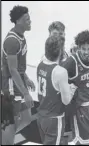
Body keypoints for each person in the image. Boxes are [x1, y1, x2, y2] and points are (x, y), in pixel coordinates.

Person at [1, 5, 35, 144]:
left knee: (26, 118)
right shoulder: (12, 41)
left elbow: (18, 67)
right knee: (10, 124)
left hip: (17, 82)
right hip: (10, 86)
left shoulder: (21, 37)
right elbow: (12, 70)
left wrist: (26, 78)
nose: (30, 21)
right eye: (27, 19)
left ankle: (5, 138)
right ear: (18, 21)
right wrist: (26, 93)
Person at [36, 35, 73, 145]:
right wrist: (72, 89)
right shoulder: (60, 71)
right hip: (54, 119)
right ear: (61, 51)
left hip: (41, 116)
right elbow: (66, 101)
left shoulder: (40, 65)